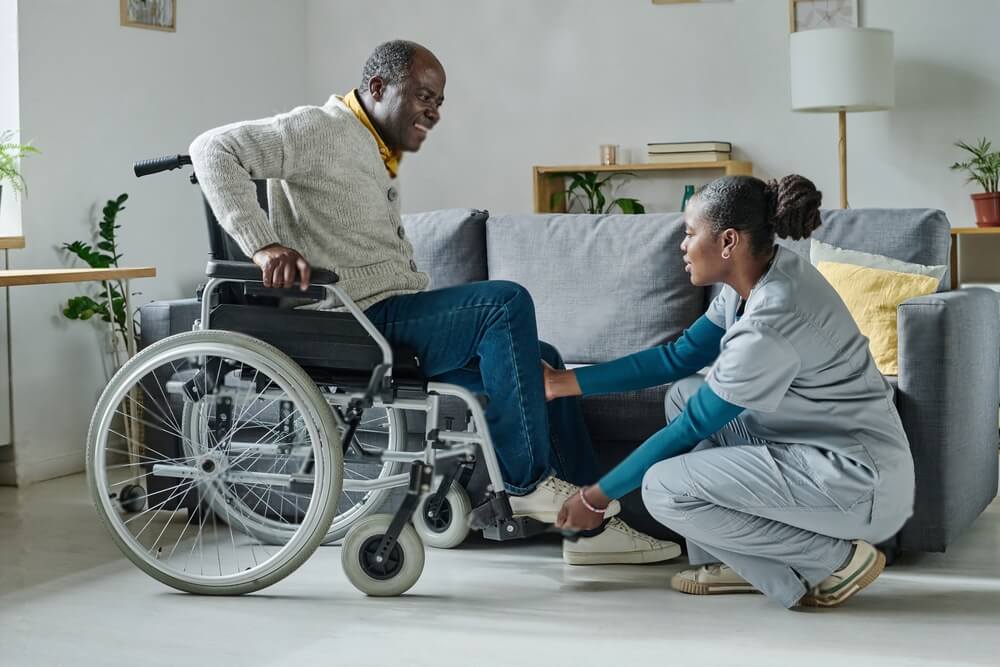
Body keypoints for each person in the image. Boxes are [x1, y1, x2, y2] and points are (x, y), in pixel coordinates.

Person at [189, 39, 678, 565]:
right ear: (377, 87)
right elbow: (212, 148)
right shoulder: (317, 128)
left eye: (439, 101)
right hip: (356, 320)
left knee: (546, 363)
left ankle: (589, 529)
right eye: (424, 95)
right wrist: (264, 244)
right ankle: (526, 483)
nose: (433, 111)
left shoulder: (369, 149)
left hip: (389, 315)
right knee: (502, 302)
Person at [545, 174, 915, 607]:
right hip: (820, 447)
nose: (681, 245)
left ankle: (834, 561)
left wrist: (596, 496)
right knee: (682, 391)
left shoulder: (771, 318)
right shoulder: (755, 280)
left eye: (689, 233)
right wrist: (564, 382)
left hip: (857, 478)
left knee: (663, 487)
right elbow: (678, 357)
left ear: (728, 242)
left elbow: (693, 427)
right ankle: (739, 564)